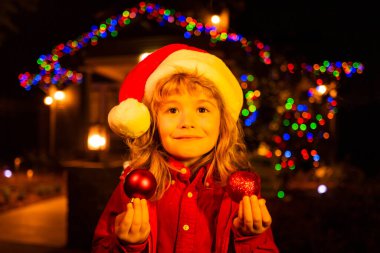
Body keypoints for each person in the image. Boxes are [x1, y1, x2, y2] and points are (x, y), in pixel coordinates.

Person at [92, 43, 279, 253]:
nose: (187, 122)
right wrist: (127, 245)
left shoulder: (238, 189)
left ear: (222, 123)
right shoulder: (134, 185)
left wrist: (250, 239)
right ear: (153, 124)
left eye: (202, 109)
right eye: (172, 110)